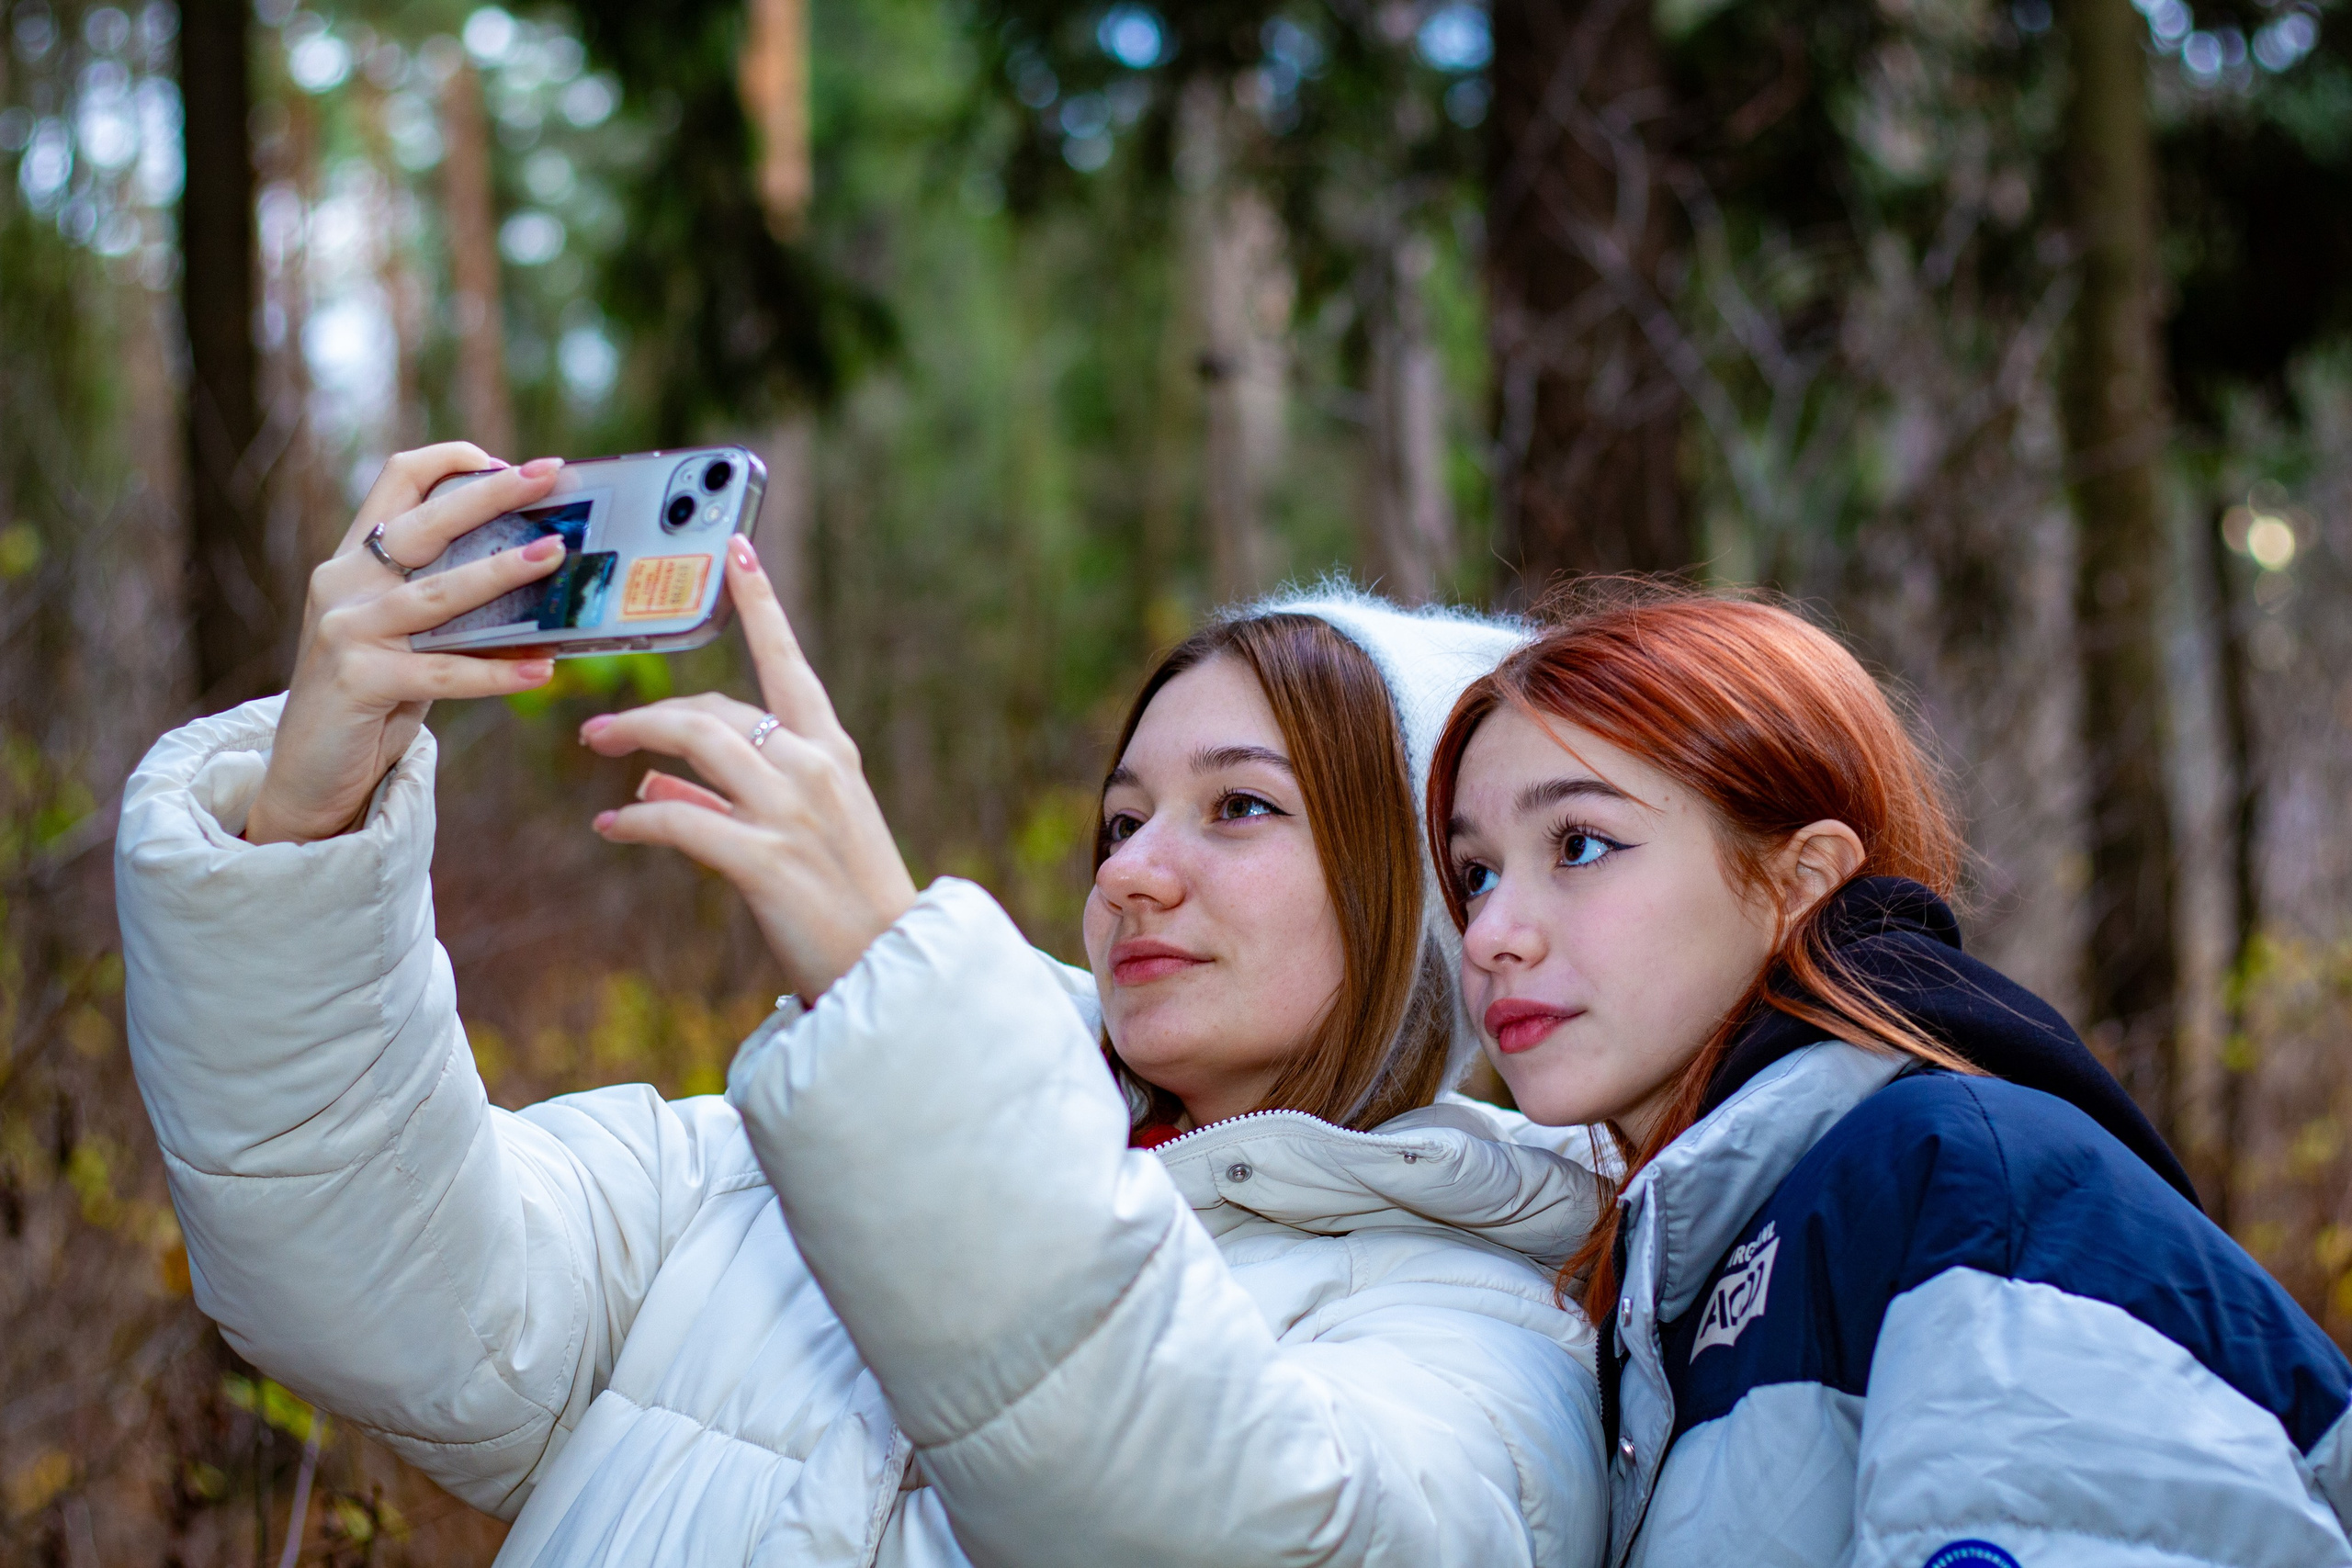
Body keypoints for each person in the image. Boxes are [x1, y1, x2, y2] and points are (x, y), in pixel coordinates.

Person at [116, 446, 1610, 1568]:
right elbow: (369, 1288)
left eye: (1239, 810)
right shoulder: (766, 1171)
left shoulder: (1495, 1318)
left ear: (1416, 892)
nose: (1137, 874)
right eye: (1123, 815)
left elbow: (1253, 1528)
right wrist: (306, 827)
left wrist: (900, 1001)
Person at [1425, 585, 2352, 1568]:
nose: (1490, 937)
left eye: (1578, 845)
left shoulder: (1965, 1189)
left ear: (1800, 880)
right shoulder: (1689, 1264)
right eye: (1475, 872)